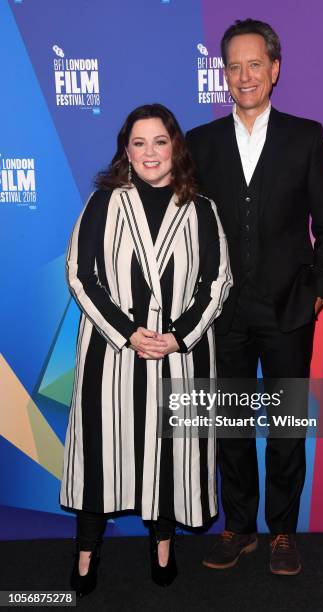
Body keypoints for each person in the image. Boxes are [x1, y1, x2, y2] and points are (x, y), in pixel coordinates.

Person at [186, 19, 323, 575]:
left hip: (288, 310)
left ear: (274, 70)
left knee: (285, 426)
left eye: (255, 64)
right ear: (223, 75)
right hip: (221, 313)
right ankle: (239, 527)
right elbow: (185, 226)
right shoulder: (200, 143)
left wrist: (320, 291)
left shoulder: (306, 136)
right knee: (228, 424)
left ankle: (282, 531)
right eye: (234, 65)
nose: (245, 75)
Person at [59, 103, 232, 595]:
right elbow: (79, 273)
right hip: (112, 354)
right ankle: (87, 552)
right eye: (139, 142)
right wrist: (128, 331)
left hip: (178, 355)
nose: (150, 152)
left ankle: (163, 542)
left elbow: (217, 282)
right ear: (126, 151)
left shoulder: (201, 208)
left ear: (176, 145)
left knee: (169, 454)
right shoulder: (104, 202)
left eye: (160, 141)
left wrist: (178, 335)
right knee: (100, 455)